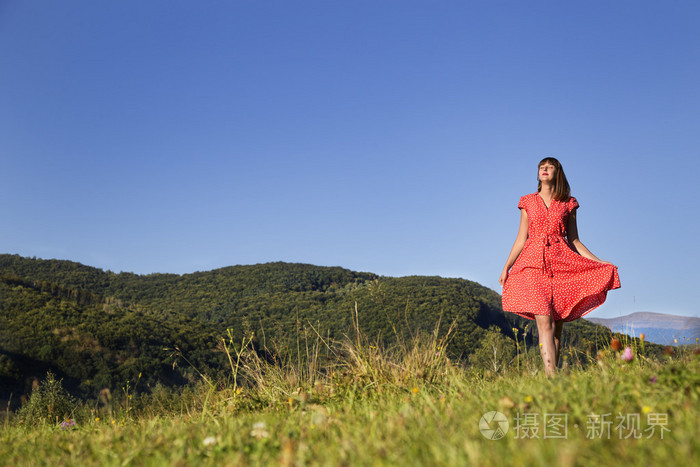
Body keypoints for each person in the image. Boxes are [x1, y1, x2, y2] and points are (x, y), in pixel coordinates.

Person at [499, 157, 620, 377]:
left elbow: (574, 240)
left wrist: (598, 262)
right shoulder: (527, 201)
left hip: (562, 264)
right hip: (533, 264)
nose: (544, 169)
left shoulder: (568, 203)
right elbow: (521, 238)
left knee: (556, 329)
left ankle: (553, 378)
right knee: (544, 322)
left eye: (549, 166)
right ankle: (550, 378)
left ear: (558, 172)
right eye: (541, 167)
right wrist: (507, 266)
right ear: (538, 174)